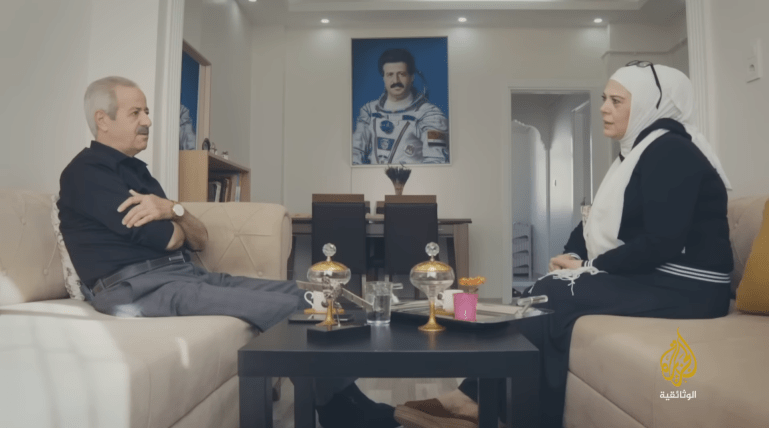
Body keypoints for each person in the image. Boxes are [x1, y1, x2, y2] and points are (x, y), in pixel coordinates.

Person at [393, 63, 734, 428]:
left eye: (617, 101)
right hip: (659, 277)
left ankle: (480, 404)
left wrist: (590, 269)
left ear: (651, 105)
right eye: (604, 99)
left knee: (552, 292)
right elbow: (592, 223)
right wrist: (573, 255)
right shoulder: (636, 154)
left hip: (690, 288)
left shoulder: (671, 152)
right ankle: (482, 401)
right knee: (547, 289)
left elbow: (662, 243)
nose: (604, 108)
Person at [57, 76, 399, 428]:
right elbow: (165, 238)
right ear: (103, 120)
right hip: (135, 288)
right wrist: (174, 223)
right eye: (136, 113)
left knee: (312, 295)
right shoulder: (85, 174)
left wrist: (172, 209)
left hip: (181, 275)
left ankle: (344, 403)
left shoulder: (138, 173)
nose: (148, 120)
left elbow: (199, 237)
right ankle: (341, 411)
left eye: (146, 111)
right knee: (288, 309)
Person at [352, 48, 449, 165]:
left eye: (402, 74)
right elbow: (355, 152)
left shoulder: (430, 115)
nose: (395, 80)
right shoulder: (369, 111)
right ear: (383, 78)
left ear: (412, 77)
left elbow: (437, 161)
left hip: (415, 176)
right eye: (390, 75)